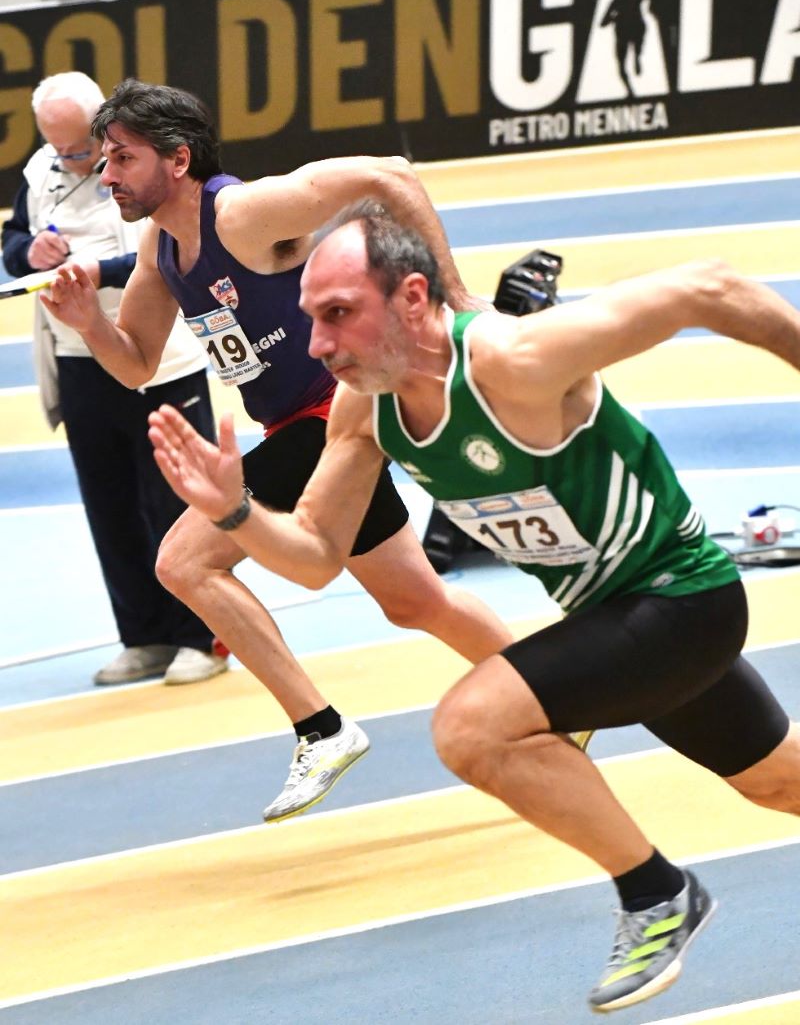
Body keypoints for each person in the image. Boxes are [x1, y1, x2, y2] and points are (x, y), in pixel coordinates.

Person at [146, 203, 800, 1014]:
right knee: (778, 782)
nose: (317, 343)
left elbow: (713, 286)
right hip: (615, 621)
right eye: (312, 317)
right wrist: (237, 511)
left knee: (471, 726)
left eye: (339, 313)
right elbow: (313, 553)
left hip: (682, 599)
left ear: (412, 297)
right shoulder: (365, 410)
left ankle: (656, 893)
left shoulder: (512, 359)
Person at [41, 79, 514, 824]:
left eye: (122, 158)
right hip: (295, 425)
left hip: (336, 413)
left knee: (183, 561)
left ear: (178, 159)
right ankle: (551, 688)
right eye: (104, 160)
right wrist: (87, 322)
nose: (107, 176)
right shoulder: (161, 245)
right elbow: (135, 363)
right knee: (415, 600)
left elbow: (391, 174)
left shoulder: (242, 213)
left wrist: (456, 298)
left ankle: (322, 729)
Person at [1, 71, 221, 687]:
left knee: (178, 503)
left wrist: (95, 271)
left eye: (81, 149)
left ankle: (202, 637)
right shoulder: (40, 170)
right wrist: (29, 254)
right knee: (110, 506)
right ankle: (144, 636)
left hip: (163, 363)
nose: (72, 161)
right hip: (79, 358)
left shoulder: (145, 171)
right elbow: (13, 239)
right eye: (59, 148)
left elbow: (171, 245)